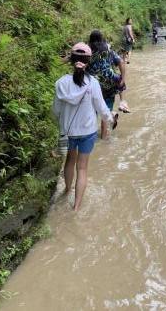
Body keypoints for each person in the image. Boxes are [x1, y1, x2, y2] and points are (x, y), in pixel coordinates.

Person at [52, 42, 114, 211]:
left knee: (69, 161)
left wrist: (61, 122)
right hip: (87, 131)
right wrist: (110, 119)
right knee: (82, 168)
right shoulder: (92, 83)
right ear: (88, 62)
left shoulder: (61, 83)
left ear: (71, 60)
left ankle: (66, 190)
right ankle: (77, 207)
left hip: (68, 132)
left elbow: (56, 110)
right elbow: (101, 107)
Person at [87, 30, 129, 139]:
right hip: (110, 85)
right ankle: (104, 137)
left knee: (93, 112)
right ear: (102, 39)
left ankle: (94, 136)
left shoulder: (88, 52)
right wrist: (123, 79)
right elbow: (121, 63)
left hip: (93, 87)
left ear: (90, 40)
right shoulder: (108, 50)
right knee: (105, 112)